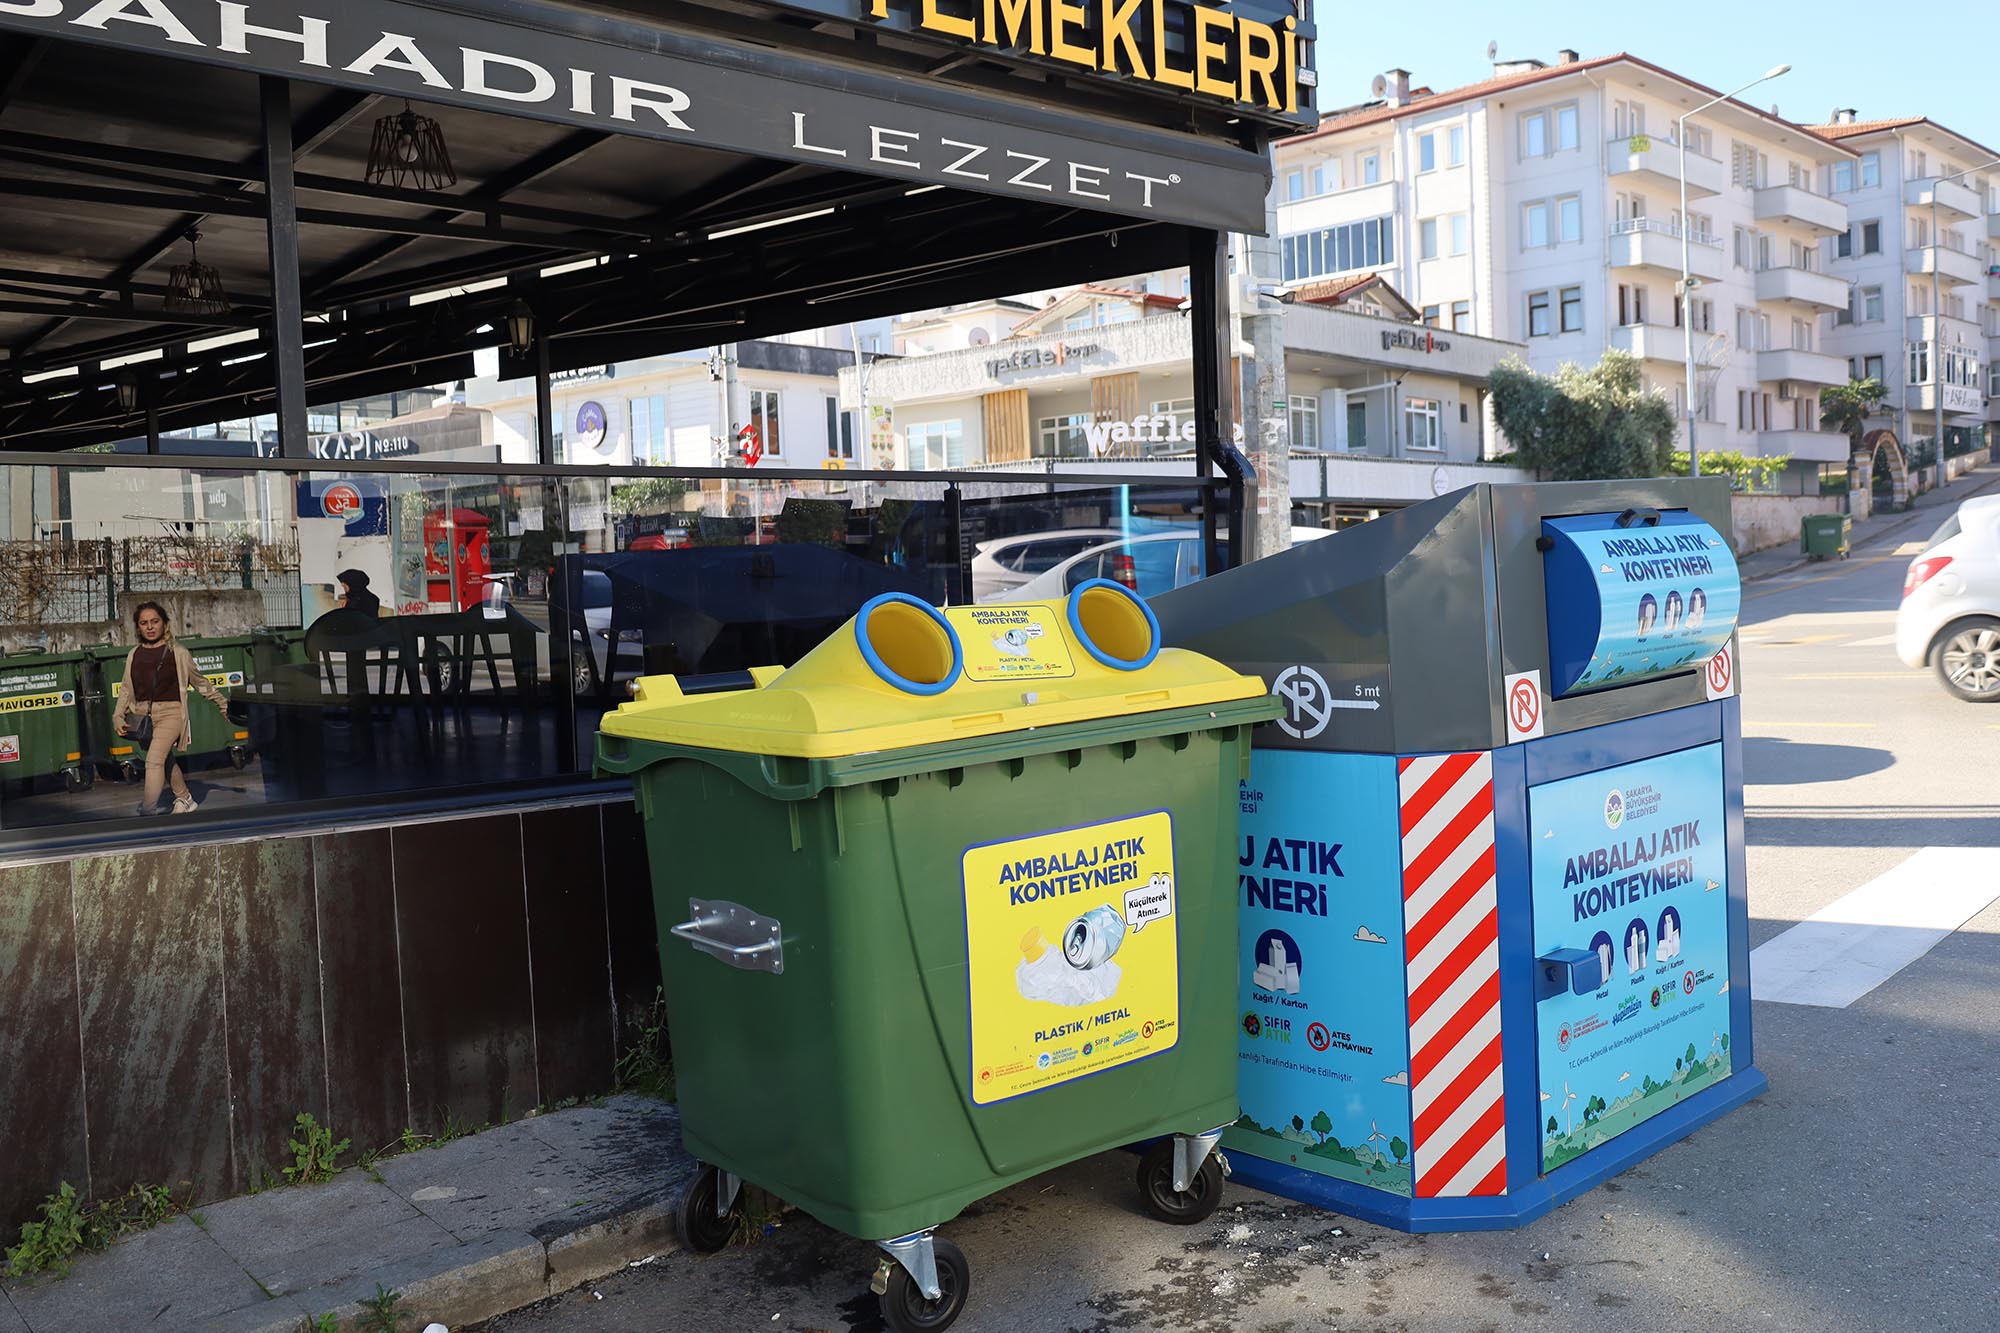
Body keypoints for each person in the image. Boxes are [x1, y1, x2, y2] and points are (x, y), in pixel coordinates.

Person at [111, 602, 230, 817]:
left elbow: (200, 682)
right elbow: (126, 689)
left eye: (155, 621)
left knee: (153, 761)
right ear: (138, 628)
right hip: (143, 716)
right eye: (144, 623)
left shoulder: (178, 653)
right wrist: (117, 716)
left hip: (171, 713)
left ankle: (147, 812)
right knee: (165, 760)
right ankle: (185, 798)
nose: (149, 627)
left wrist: (223, 704)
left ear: (165, 624)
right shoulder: (134, 654)